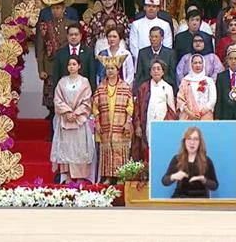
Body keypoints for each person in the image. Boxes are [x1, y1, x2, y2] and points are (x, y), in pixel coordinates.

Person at [51, 55, 95, 183]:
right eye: (70, 64)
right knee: (67, 147)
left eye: (74, 64)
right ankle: (67, 176)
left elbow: (87, 101)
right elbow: (57, 100)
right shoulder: (62, 82)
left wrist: (76, 113)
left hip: (79, 121)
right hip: (66, 119)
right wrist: (67, 112)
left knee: (79, 148)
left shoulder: (84, 82)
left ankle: (80, 177)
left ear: (79, 66)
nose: (71, 66)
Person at [92, 54, 134, 184]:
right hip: (105, 123)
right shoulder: (101, 87)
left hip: (120, 123)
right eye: (108, 68)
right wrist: (97, 122)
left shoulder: (125, 87)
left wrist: (127, 122)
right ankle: (109, 177)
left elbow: (130, 106)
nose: (110, 71)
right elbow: (95, 106)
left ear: (117, 70)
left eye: (112, 68)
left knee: (120, 149)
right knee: (107, 150)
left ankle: (121, 176)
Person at [36, 0, 77, 112]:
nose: (55, 11)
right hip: (50, 67)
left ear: (64, 9)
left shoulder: (71, 25)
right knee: (51, 100)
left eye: (58, 8)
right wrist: (41, 69)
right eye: (53, 8)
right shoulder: (45, 26)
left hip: (67, 66)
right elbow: (40, 48)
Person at [131, 59, 176, 161]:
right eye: (153, 69)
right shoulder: (144, 87)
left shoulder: (168, 87)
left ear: (163, 72)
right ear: (150, 72)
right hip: (146, 124)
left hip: (162, 126)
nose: (156, 71)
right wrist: (138, 126)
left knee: (161, 150)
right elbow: (137, 108)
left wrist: (166, 126)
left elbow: (172, 111)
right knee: (147, 151)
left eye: (158, 69)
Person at [162, 126, 219, 198]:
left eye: (195, 139)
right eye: (189, 139)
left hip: (201, 200)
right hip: (180, 198)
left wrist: (204, 180)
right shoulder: (177, 159)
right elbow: (164, 181)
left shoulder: (207, 160)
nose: (192, 142)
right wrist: (174, 176)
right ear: (184, 141)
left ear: (200, 142)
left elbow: (215, 186)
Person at [51, 23, 97, 94]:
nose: (73, 37)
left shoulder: (88, 52)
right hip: (65, 94)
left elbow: (92, 75)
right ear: (67, 36)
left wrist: (93, 94)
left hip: (84, 94)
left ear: (81, 36)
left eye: (76, 34)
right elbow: (56, 76)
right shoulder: (59, 53)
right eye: (71, 35)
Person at [129, 0, 173, 65]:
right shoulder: (136, 24)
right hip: (141, 63)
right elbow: (133, 46)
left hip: (161, 65)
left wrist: (157, 62)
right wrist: (143, 60)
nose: (151, 9)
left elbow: (167, 46)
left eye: (154, 6)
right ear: (144, 8)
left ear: (158, 9)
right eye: (149, 6)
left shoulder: (165, 25)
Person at [133, 26, 177, 92]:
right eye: (151, 37)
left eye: (156, 37)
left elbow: (172, 76)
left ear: (162, 38)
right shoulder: (142, 53)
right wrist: (136, 92)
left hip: (164, 89)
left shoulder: (170, 53)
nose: (153, 39)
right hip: (147, 89)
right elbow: (139, 75)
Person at [177, 53, 217, 121]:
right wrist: (189, 113)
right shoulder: (185, 80)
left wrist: (202, 112)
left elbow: (212, 99)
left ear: (203, 64)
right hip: (188, 116)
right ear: (191, 64)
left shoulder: (209, 81)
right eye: (195, 63)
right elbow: (180, 100)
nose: (198, 65)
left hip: (205, 115)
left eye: (200, 63)